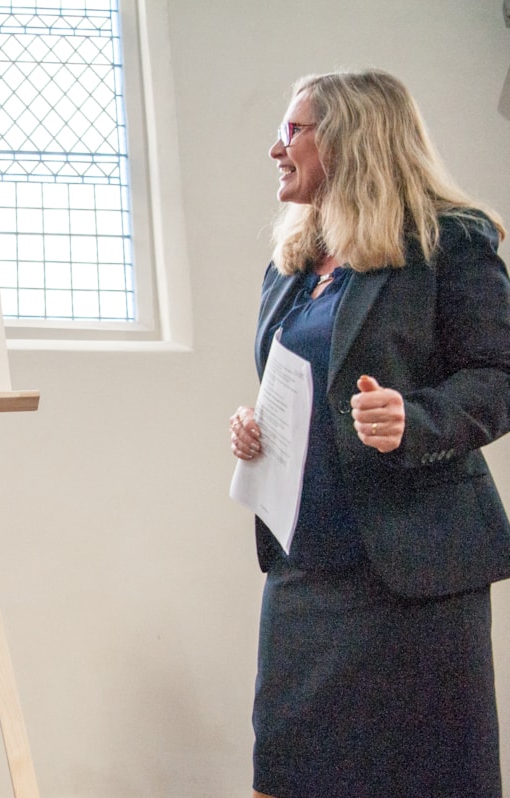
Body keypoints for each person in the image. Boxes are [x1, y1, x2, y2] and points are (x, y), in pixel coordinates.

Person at [228, 69, 510, 798]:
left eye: (294, 130)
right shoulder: (291, 267)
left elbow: (497, 375)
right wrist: (258, 426)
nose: (276, 148)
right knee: (287, 776)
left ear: (352, 137)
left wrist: (413, 422)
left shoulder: (449, 243)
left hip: (415, 580)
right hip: (306, 574)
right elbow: (305, 384)